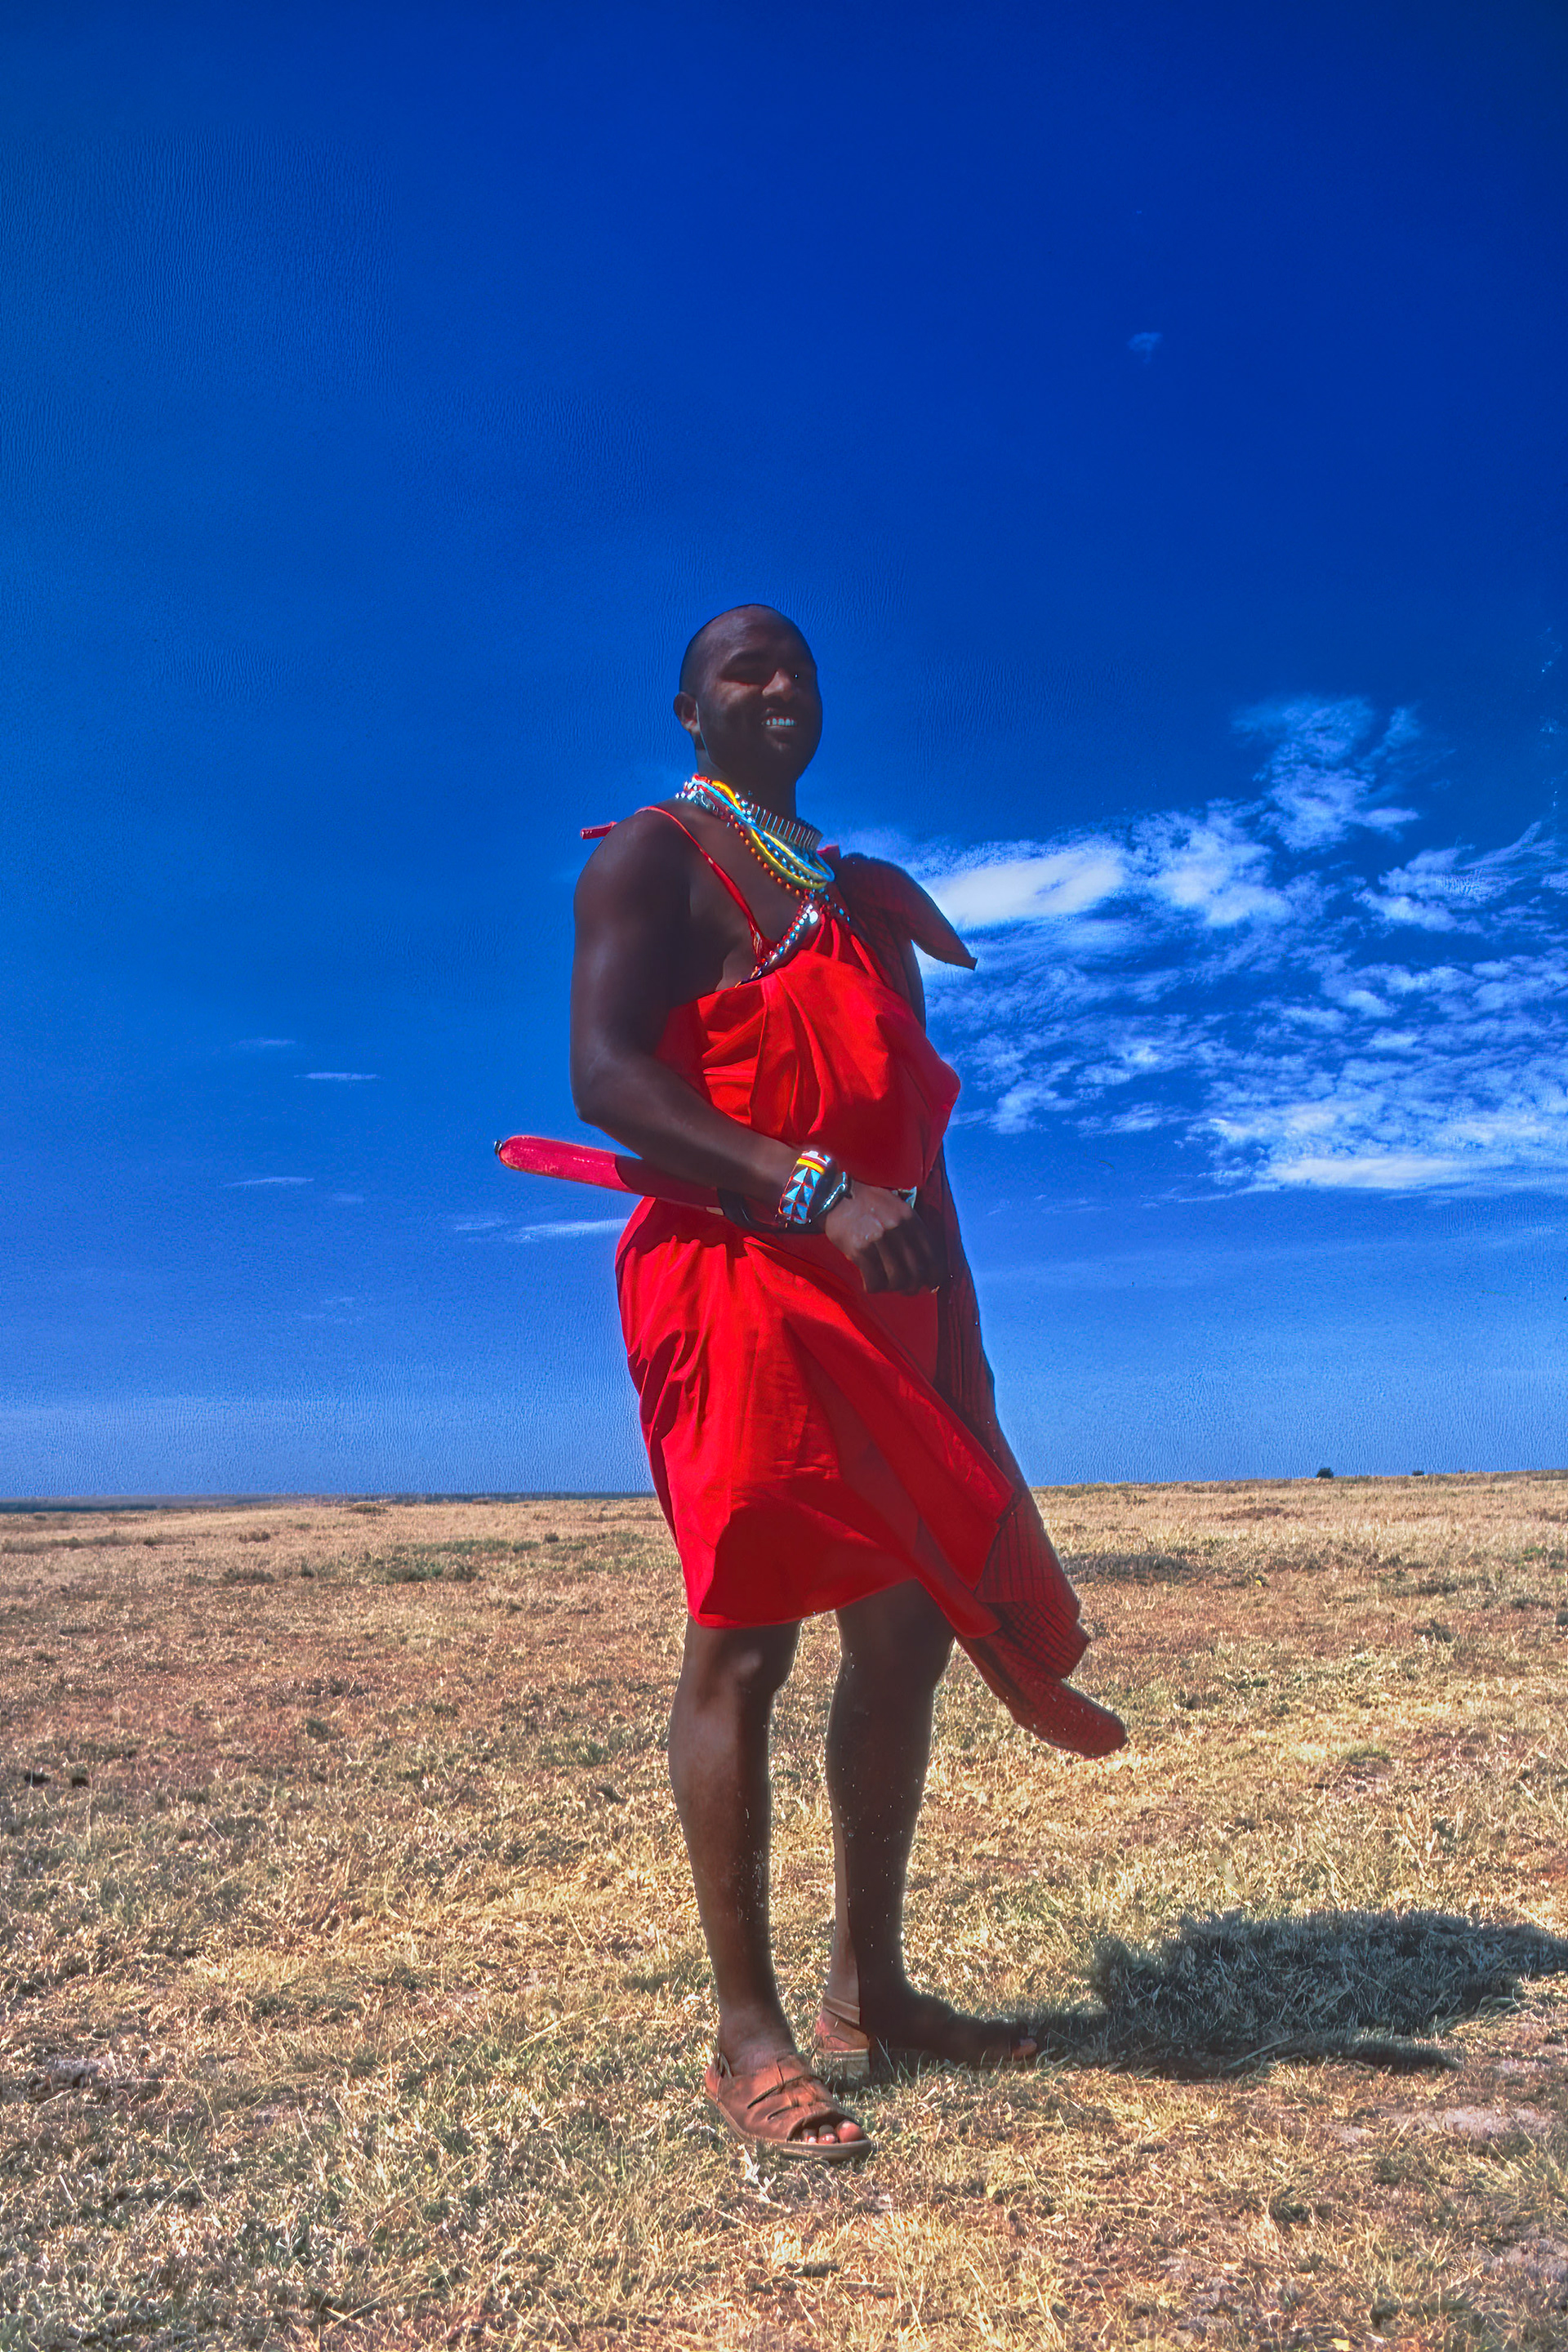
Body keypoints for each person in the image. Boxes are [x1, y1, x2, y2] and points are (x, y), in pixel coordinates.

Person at [569, 605, 1123, 2163]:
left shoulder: (865, 905)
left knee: (906, 1637)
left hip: (889, 1282)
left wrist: (963, 1331)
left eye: (796, 663)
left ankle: (867, 1991)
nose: (776, 683)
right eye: (742, 665)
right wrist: (805, 1190)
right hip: (743, 1275)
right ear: (687, 705)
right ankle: (745, 2035)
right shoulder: (652, 864)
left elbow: (914, 1147)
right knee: (744, 1645)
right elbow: (607, 1076)